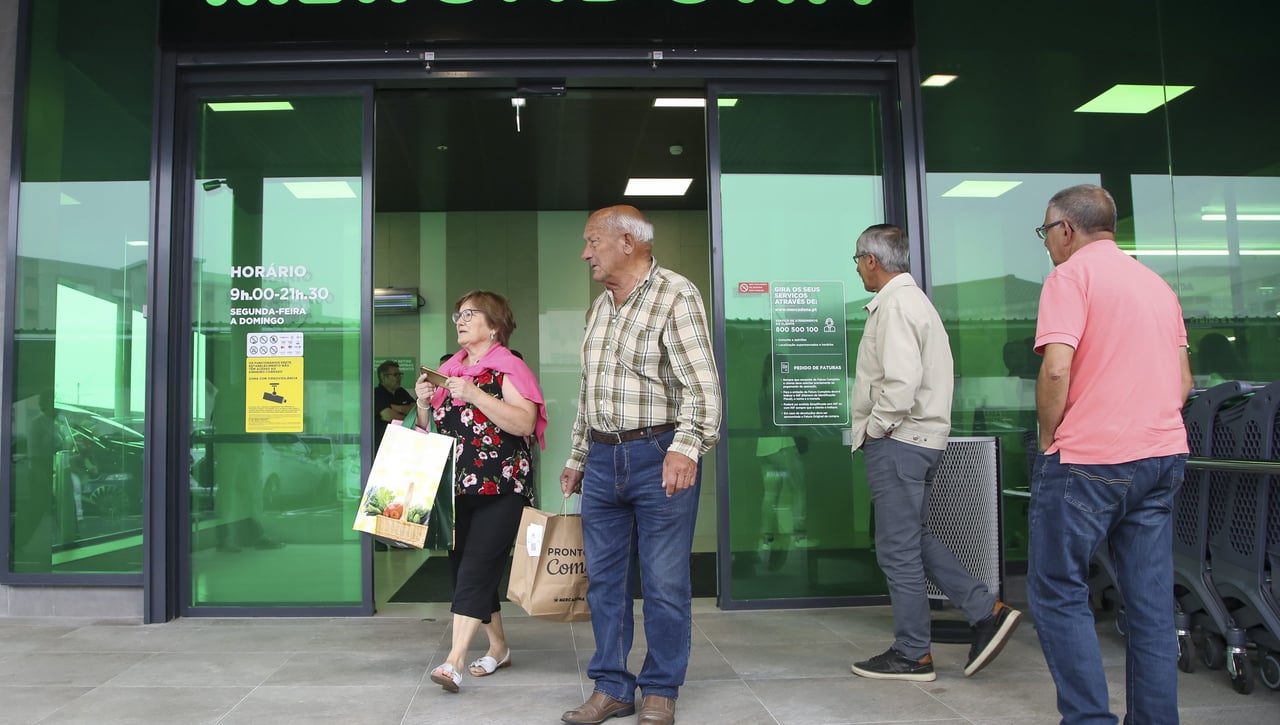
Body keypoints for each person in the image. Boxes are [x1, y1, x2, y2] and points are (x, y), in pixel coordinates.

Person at [1029, 185, 1191, 724]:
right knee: (1149, 605)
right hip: (1161, 457)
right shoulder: (1156, 286)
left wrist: (1051, 438)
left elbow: (1056, 368)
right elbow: (1184, 380)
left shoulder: (1070, 276)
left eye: (1046, 231)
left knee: (1057, 589)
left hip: (1089, 461)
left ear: (1067, 230)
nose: (1047, 243)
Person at [559, 205, 721, 725]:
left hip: (659, 453)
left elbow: (703, 387)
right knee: (604, 582)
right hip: (603, 458)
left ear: (628, 241)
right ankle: (611, 687)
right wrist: (578, 456)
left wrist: (686, 446)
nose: (585, 253)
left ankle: (660, 689)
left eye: (593, 242)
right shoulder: (600, 307)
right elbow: (589, 392)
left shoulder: (677, 295)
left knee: (665, 582)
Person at [847, 223, 1021, 683]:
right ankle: (986, 610)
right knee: (914, 540)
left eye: (858, 260)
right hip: (919, 442)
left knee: (897, 551)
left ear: (872, 260)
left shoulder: (896, 305)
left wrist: (876, 429)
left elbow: (900, 383)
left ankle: (912, 653)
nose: (859, 269)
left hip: (900, 442)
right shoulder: (913, 302)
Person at [416, 290, 548, 694]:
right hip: (458, 487)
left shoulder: (508, 368)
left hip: (503, 487)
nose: (460, 319)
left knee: (476, 566)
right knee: (467, 570)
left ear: (493, 325)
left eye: (470, 314)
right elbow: (431, 429)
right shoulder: (449, 369)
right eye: (458, 313)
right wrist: (424, 404)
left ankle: (454, 661)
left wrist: (475, 394)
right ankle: (499, 647)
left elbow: (524, 423)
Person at [373, 360, 415, 452]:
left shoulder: (401, 392)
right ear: (383, 377)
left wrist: (398, 408)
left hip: (403, 443)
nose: (399, 378)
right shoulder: (377, 393)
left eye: (400, 374)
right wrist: (408, 416)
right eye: (395, 375)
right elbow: (388, 416)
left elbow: (415, 410)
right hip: (384, 445)